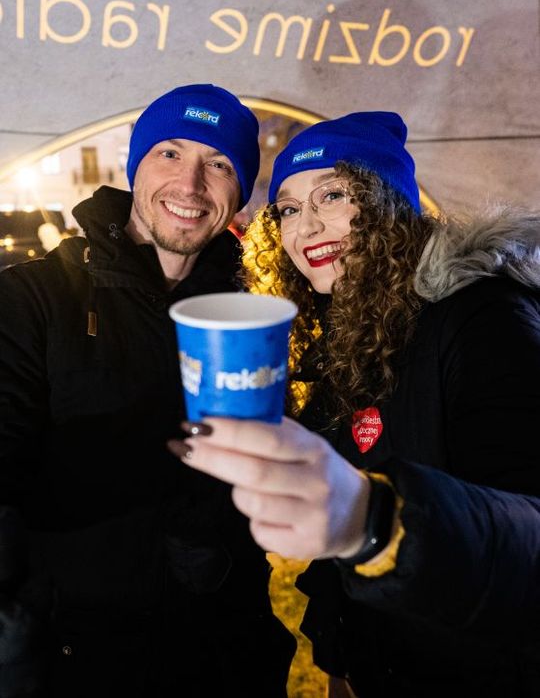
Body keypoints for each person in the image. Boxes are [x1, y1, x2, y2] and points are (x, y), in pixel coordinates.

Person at [169, 111, 540, 698]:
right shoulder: (345, 333)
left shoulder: (482, 318)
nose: (307, 226)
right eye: (288, 209)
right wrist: (338, 654)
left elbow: (526, 530)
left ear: (390, 203)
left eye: (334, 195)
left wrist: (377, 521)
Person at [0, 84, 295, 698]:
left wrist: (219, 529)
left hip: (220, 653)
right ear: (135, 166)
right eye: (169, 153)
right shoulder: (34, 297)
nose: (190, 185)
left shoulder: (252, 315)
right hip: (76, 655)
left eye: (219, 164)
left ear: (239, 192)